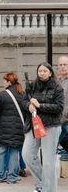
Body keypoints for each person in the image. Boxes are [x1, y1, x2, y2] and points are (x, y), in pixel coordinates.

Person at [22, 62, 64, 192]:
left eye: (45, 71)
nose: (42, 73)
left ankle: (48, 189)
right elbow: (24, 100)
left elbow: (59, 108)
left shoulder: (57, 87)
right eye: (40, 71)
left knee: (48, 162)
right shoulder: (32, 85)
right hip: (33, 124)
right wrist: (28, 105)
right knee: (27, 154)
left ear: (50, 73)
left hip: (51, 126)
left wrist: (40, 105)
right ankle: (43, 183)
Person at [0, 73, 25, 184]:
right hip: (18, 129)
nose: (3, 83)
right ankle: (12, 177)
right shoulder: (22, 94)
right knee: (14, 152)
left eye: (4, 81)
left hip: (3, 128)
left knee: (1, 151)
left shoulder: (2, 94)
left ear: (9, 82)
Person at [58, 56, 68, 145]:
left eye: (65, 64)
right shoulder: (55, 82)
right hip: (57, 120)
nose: (62, 66)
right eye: (60, 64)